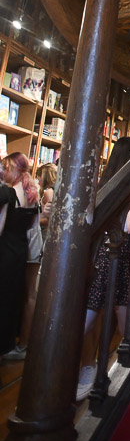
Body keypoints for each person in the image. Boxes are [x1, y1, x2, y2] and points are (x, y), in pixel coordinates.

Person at [77, 136, 130, 402]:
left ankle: (87, 368)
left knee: (97, 306)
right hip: (116, 251)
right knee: (116, 305)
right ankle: (126, 366)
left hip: (100, 250)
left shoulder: (104, 183)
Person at [0, 153, 40, 360]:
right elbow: (33, 227)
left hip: (5, 249)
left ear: (14, 169)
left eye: (6, 167)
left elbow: (0, 226)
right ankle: (7, 345)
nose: (4, 171)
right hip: (21, 250)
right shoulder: (32, 195)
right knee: (12, 298)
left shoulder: (8, 193)